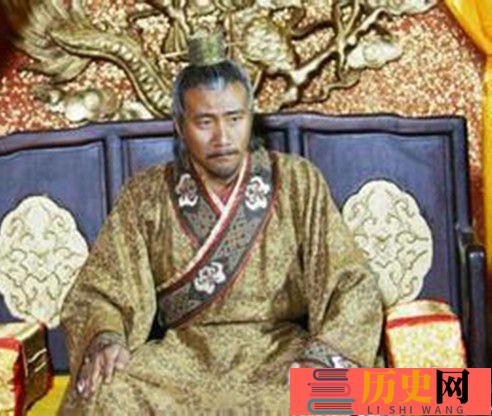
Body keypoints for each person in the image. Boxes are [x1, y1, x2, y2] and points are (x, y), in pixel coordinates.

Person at [59, 32, 383, 415]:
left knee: (327, 395)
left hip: (279, 352)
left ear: (250, 117)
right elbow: (102, 290)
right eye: (204, 121)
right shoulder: (146, 194)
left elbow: (350, 281)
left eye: (234, 118)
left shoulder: (298, 180)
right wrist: (105, 337)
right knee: (105, 390)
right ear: (180, 125)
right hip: (180, 362)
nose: (223, 137)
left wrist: (324, 357)